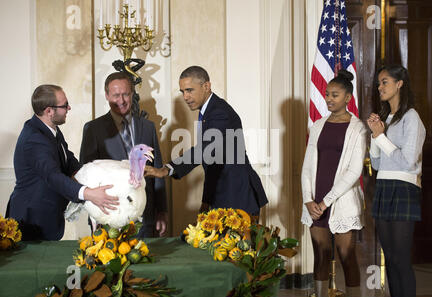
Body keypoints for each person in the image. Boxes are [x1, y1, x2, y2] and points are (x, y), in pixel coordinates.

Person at [145, 66, 268, 219]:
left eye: (189, 90)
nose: (185, 97)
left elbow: (206, 150)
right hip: (224, 196)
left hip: (239, 197)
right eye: (182, 92)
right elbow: (213, 164)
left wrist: (166, 169)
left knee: (241, 244)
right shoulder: (208, 111)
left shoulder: (219, 112)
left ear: (206, 86)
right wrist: (207, 201)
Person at [6, 84, 119, 241]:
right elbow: (53, 177)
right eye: (65, 105)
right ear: (49, 111)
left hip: (47, 216)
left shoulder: (50, 129)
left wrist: (94, 176)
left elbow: (69, 160)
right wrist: (89, 194)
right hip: (32, 221)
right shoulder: (34, 138)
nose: (69, 108)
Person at [301, 70, 367, 297]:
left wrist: (326, 201)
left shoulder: (358, 128)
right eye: (327, 94)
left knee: (346, 255)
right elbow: (307, 165)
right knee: (320, 254)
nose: (329, 98)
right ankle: (319, 296)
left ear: (348, 97)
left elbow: (354, 171)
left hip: (341, 200)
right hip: (315, 200)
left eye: (335, 95)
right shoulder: (318, 125)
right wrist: (308, 199)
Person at [80, 72, 168, 237]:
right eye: (115, 95)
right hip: (109, 217)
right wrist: (94, 218)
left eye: (125, 94)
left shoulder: (148, 127)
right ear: (106, 95)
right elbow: (87, 176)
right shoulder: (93, 129)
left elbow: (157, 169)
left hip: (145, 217)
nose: (121, 100)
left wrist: (161, 210)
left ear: (132, 94)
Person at [367, 65, 425, 297]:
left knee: (401, 258)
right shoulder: (386, 118)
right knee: (389, 258)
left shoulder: (412, 117)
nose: (379, 87)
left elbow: (408, 162)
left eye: (385, 82)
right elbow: (378, 165)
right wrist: (374, 136)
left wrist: (381, 137)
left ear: (399, 84)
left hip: (404, 188)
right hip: (384, 187)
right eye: (379, 83)